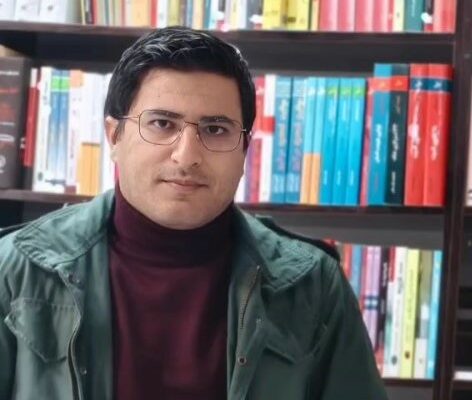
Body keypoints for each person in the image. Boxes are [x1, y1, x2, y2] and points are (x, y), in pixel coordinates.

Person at [0, 27, 387, 400]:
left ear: (244, 150)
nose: (186, 156)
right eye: (162, 124)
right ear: (114, 137)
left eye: (215, 129)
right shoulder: (17, 270)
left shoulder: (313, 285)